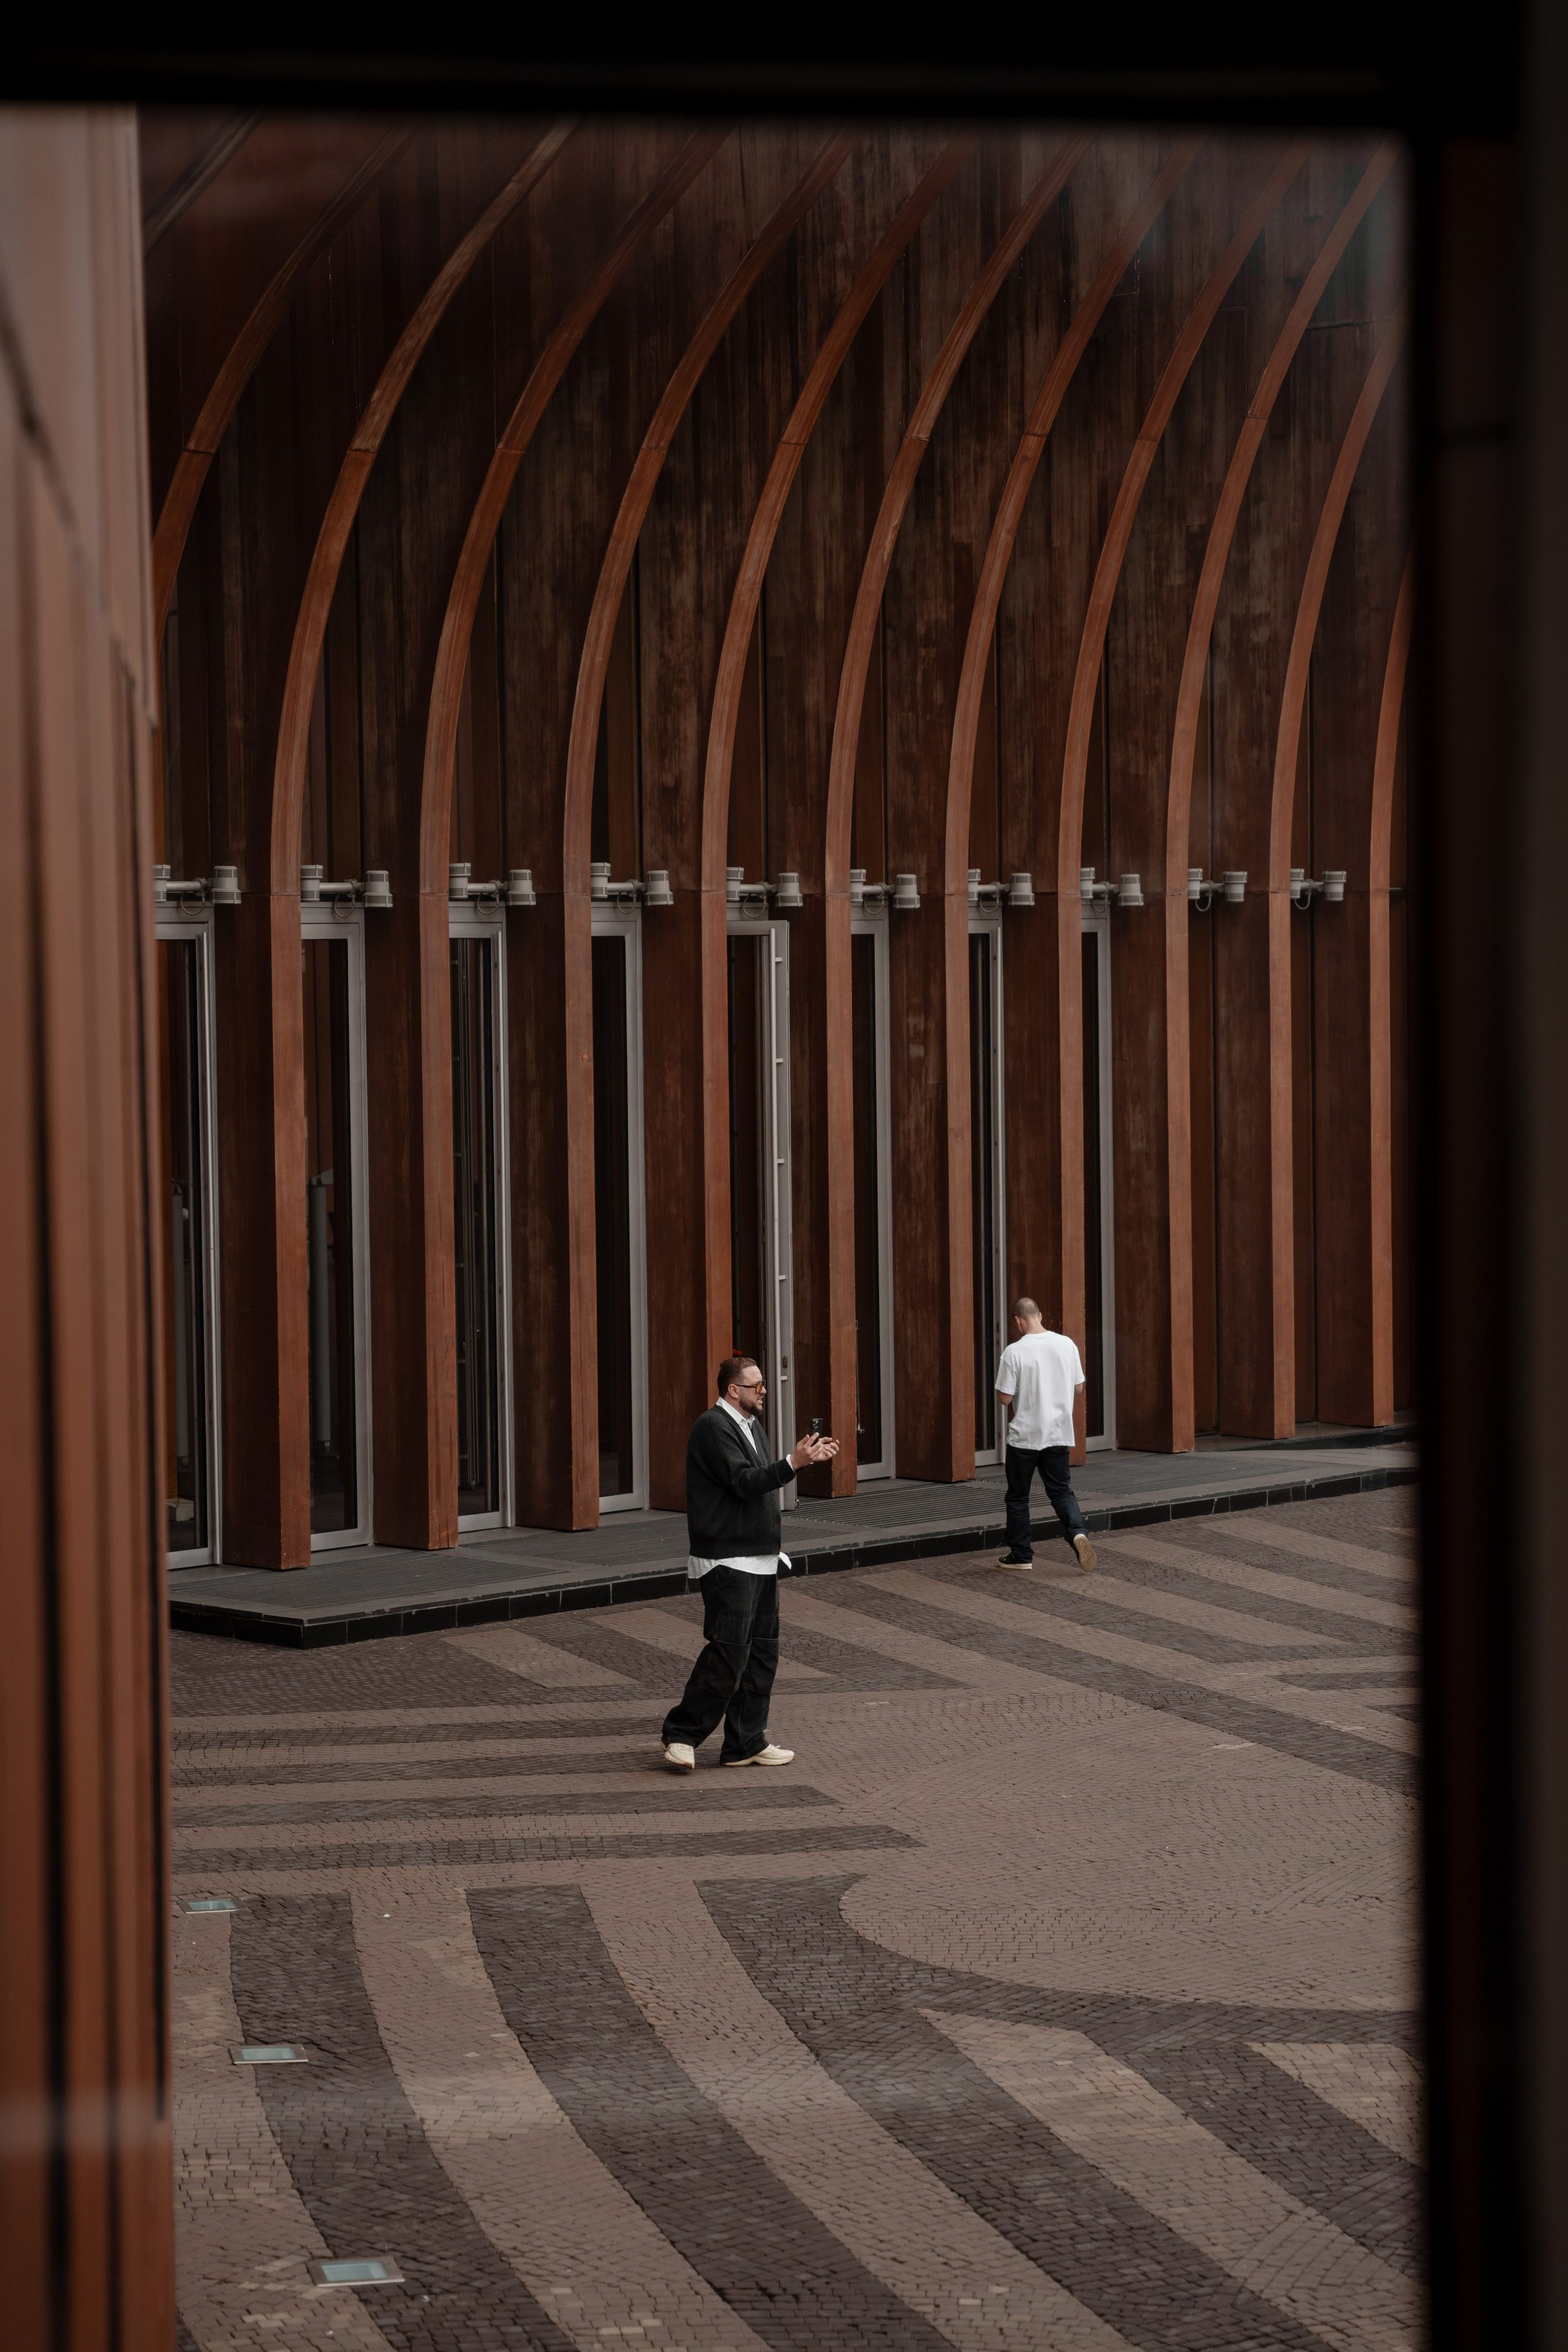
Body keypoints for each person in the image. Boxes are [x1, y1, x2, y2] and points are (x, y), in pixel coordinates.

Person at [661, 1355, 839, 1772]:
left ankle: (745, 1742)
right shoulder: (713, 1427)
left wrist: (803, 1458)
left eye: (762, 1385)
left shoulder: (751, 1426)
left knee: (761, 1655)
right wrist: (793, 1463)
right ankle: (682, 1734)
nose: (763, 1391)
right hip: (728, 1560)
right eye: (756, 1386)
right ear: (732, 1390)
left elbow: (760, 1481)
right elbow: (743, 1483)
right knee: (729, 1653)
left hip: (760, 1558)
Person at [993, 1297, 1097, 1572]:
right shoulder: (1067, 1344)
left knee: (1018, 1497)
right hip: (1059, 1433)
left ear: (1017, 1321)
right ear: (1040, 1315)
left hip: (1025, 1438)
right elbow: (1079, 1387)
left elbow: (1005, 1398)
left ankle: (1022, 1556)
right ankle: (1078, 1532)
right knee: (1061, 1491)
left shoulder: (1014, 1352)